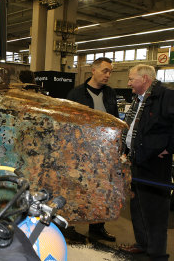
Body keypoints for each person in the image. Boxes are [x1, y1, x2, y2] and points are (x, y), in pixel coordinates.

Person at [120, 64, 173, 260]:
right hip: (137, 160)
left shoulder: (166, 96)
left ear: (145, 79)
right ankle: (142, 244)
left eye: (131, 79)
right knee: (137, 206)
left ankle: (158, 254)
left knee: (156, 211)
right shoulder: (139, 99)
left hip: (155, 164)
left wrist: (169, 148)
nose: (128, 83)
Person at [66, 57, 117, 242]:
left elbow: (115, 120)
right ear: (93, 70)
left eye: (110, 71)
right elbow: (68, 123)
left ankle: (97, 227)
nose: (108, 75)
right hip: (81, 152)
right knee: (76, 189)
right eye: (105, 70)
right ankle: (69, 228)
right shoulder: (76, 94)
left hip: (104, 152)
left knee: (101, 190)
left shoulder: (110, 93)